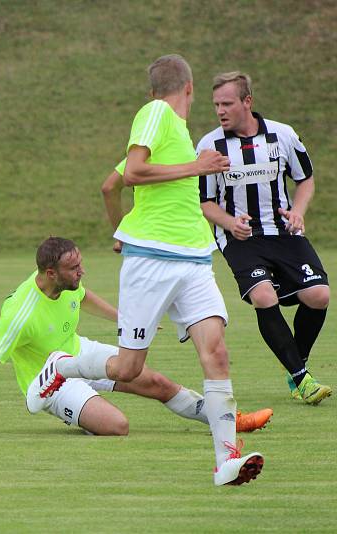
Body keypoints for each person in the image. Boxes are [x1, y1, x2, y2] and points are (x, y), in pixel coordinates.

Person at [37, 55, 264, 486]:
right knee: (127, 369)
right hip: (152, 259)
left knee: (216, 352)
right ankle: (64, 367)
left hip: (195, 258)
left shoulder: (176, 134)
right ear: (191, 88)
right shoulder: (156, 113)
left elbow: (110, 185)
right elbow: (134, 173)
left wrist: (118, 229)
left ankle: (226, 462)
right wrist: (195, 168)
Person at [0, 237, 272, 440]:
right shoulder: (20, 312)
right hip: (47, 384)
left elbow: (84, 298)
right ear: (50, 273)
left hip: (77, 355)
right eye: (73, 268)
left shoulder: (67, 285)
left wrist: (127, 320)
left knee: (157, 382)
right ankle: (76, 402)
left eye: (80, 264)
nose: (81, 272)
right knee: (118, 426)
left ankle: (226, 419)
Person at [197, 71, 331, 405]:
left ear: (247, 102)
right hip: (240, 239)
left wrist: (298, 211)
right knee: (263, 296)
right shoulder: (210, 145)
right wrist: (230, 222)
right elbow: (204, 203)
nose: (220, 111)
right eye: (216, 105)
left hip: (283, 231)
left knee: (319, 295)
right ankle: (302, 380)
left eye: (227, 103)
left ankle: (295, 366)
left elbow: (306, 179)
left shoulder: (282, 135)